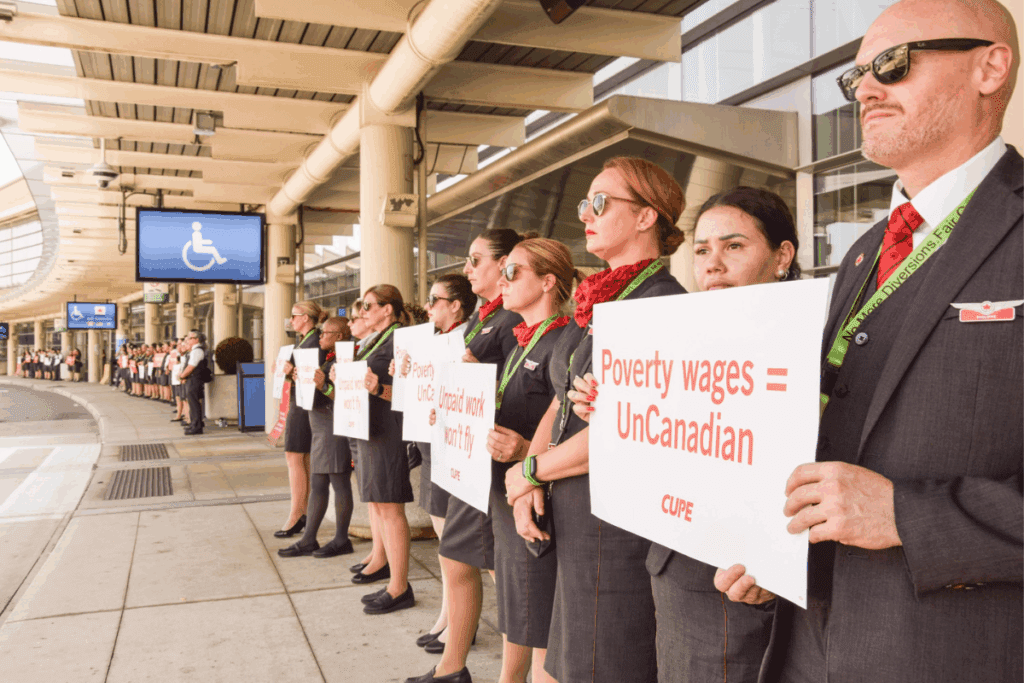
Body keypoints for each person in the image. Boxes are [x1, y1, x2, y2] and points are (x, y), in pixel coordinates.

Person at [716, 2, 1022, 681]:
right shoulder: (860, 255)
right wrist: (774, 542)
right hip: (809, 642)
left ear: (990, 67)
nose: (867, 89)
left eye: (893, 63)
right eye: (855, 77)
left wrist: (909, 515)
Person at [567, 186, 800, 683]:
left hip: (744, 581)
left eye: (734, 246)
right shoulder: (684, 341)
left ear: (782, 255)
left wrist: (777, 561)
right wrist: (614, 416)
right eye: (701, 250)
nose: (713, 264)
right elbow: (674, 443)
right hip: (675, 563)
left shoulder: (806, 344)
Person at [505, 157, 688, 683]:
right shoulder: (600, 301)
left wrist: (530, 472)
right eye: (586, 202)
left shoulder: (659, 305)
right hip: (575, 515)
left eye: (602, 202)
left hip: (614, 529)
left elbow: (631, 430)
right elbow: (560, 402)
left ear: (647, 217)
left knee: (601, 664)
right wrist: (527, 482)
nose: (587, 213)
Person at [409, 229, 526, 683]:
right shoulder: (484, 317)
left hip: (492, 464)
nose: (467, 269)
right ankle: (451, 666)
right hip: (467, 457)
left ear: (505, 264)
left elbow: (512, 393)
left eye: (476, 260)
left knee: (505, 579)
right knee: (456, 558)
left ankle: (508, 675)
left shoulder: (513, 319)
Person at [483, 238, 574, 683]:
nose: (502, 280)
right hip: (510, 495)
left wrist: (524, 454)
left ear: (548, 281)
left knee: (541, 626)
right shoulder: (520, 341)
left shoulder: (562, 341)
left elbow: (571, 427)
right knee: (518, 609)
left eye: (513, 272)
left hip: (542, 504)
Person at [395, 273, 475, 652]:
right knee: (446, 546)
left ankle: (460, 623)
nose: (427, 307)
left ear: (456, 305)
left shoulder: (465, 338)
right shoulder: (432, 342)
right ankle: (448, 616)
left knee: (456, 547)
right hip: (432, 447)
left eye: (434, 299)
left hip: (450, 449)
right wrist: (405, 376)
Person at [356, 285, 416, 615]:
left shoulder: (400, 340)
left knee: (391, 507)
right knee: (379, 504)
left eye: (368, 306)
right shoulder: (376, 340)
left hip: (389, 431)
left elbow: (409, 389)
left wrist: (378, 387)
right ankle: (390, 575)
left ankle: (399, 586)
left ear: (388, 309)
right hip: (370, 428)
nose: (363, 312)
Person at [279, 316, 356, 559]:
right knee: (320, 483)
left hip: (333, 426)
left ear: (339, 336)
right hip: (321, 426)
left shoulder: (344, 358)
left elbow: (341, 395)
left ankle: (341, 538)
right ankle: (309, 538)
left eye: (325, 333)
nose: (320, 336)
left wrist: (323, 386)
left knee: (339, 482)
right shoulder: (330, 357)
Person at [276, 300, 328, 539]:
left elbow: (309, 377)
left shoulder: (313, 342)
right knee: (301, 458)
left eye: (294, 315)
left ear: (306, 317)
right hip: (302, 402)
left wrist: (290, 373)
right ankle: (301, 511)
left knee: (295, 456)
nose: (291, 320)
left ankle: (297, 513)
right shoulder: (308, 341)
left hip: (304, 404)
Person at [178, 331, 210, 435]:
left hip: (195, 380)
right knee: (192, 403)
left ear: (197, 339)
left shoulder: (197, 351)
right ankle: (194, 424)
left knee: (194, 403)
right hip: (192, 379)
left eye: (190, 338)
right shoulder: (195, 350)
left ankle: (196, 427)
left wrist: (182, 376)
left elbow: (191, 366)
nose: (188, 339)